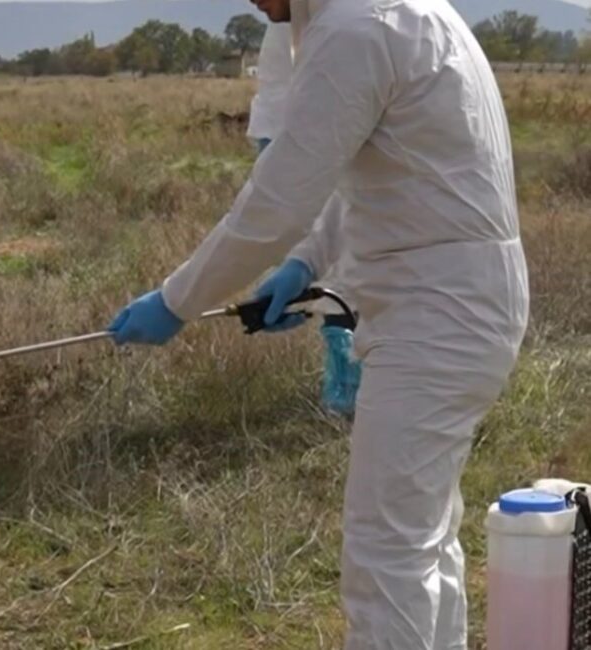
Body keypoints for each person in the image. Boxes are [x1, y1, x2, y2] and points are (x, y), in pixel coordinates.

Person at [108, 0, 530, 648]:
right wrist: (304, 264)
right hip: (457, 305)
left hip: (438, 315)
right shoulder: (403, 13)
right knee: (421, 539)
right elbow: (373, 172)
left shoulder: (354, 30)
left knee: (386, 556)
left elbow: (277, 201)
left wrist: (177, 300)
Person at [248, 20, 361, 416]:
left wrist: (177, 302)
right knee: (315, 253)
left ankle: (353, 372)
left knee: (345, 260)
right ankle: (344, 367)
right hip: (291, 133)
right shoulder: (287, 24)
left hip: (328, 141)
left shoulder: (355, 22)